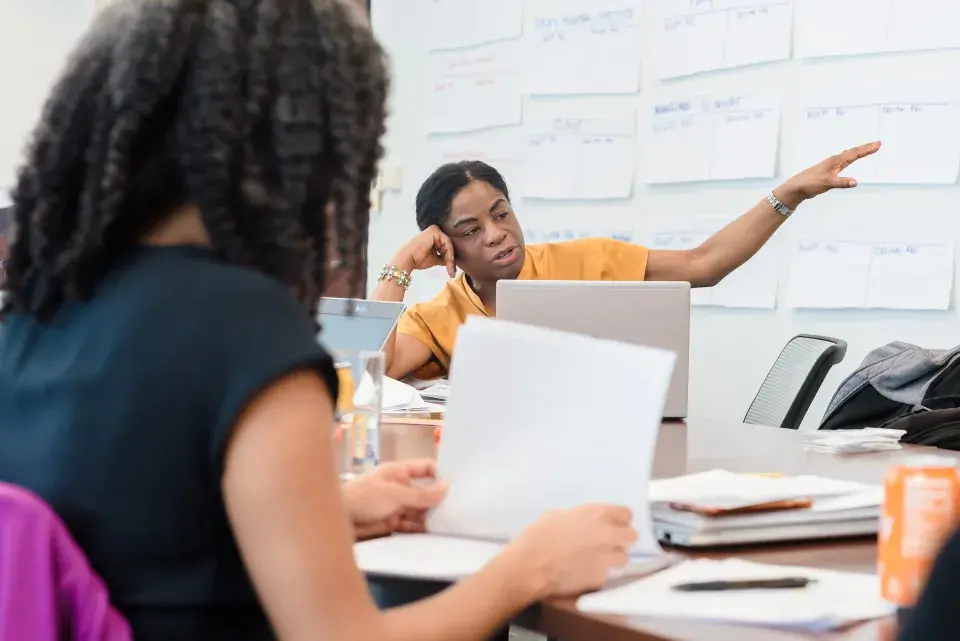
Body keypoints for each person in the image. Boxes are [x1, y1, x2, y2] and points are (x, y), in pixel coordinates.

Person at [0, 2, 637, 641]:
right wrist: (526, 569)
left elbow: (144, 530)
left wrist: (333, 509)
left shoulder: (34, 312)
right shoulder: (243, 328)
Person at [375, 147, 880, 381]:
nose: (497, 234)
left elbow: (704, 264)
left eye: (502, 213)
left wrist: (787, 195)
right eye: (471, 231)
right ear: (445, 247)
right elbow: (370, 375)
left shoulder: (587, 260)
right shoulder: (438, 317)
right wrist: (399, 264)